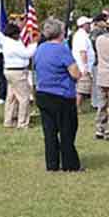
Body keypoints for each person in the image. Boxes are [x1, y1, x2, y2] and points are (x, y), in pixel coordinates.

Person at [34, 17, 83, 172]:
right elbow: (75, 73)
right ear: (60, 33)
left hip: (43, 93)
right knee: (67, 131)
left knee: (49, 132)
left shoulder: (40, 48)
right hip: (61, 95)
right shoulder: (62, 49)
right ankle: (70, 164)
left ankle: (52, 164)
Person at [2, 23, 37, 129]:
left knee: (11, 97)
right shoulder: (12, 44)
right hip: (17, 72)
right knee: (24, 97)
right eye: (17, 33)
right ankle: (22, 122)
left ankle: (9, 120)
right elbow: (27, 54)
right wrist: (34, 44)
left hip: (11, 71)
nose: (19, 35)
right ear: (13, 34)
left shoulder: (10, 42)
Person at [72, 16, 95, 110]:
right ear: (84, 25)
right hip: (82, 67)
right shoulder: (81, 36)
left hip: (83, 66)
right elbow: (83, 52)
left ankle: (79, 107)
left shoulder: (82, 35)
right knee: (81, 89)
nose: (90, 26)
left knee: (83, 88)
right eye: (88, 24)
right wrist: (85, 66)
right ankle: (76, 107)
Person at [89, 13, 108, 110]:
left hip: (102, 61)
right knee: (97, 83)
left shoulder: (103, 32)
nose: (106, 22)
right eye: (104, 21)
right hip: (97, 61)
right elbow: (95, 46)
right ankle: (96, 103)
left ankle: (98, 102)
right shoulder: (96, 33)